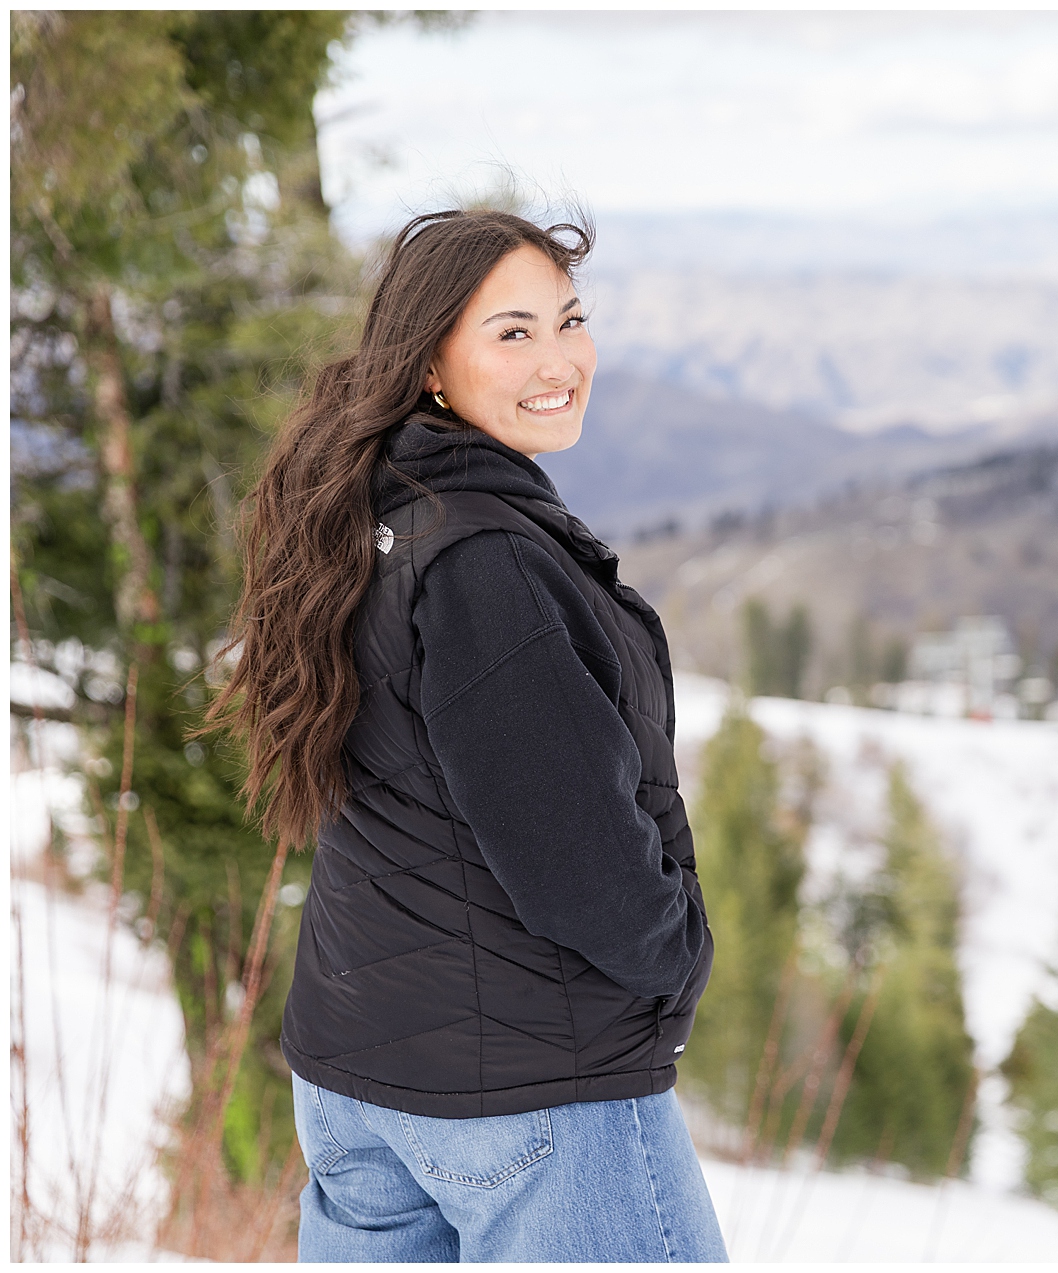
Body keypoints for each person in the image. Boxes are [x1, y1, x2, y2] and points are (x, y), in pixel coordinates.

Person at [205, 209, 725, 1262]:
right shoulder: (484, 564)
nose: (560, 359)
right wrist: (677, 959)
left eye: (569, 321)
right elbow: (574, 854)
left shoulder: (368, 508)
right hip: (527, 1097)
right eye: (513, 332)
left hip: (358, 1084)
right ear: (432, 362)